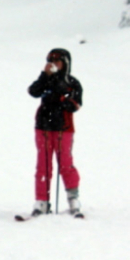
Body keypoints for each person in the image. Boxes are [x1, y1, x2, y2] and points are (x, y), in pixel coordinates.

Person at [27, 48, 83, 217]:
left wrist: (60, 97)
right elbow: (33, 91)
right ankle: (41, 201)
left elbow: (75, 104)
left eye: (57, 61)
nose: (53, 64)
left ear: (65, 63)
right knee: (43, 165)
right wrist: (45, 76)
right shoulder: (46, 79)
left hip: (63, 128)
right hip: (43, 126)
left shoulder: (72, 82)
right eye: (50, 61)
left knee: (65, 163)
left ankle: (73, 199)